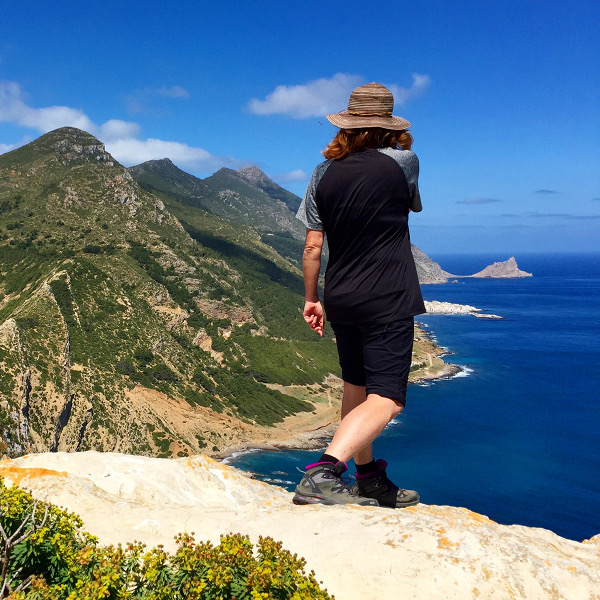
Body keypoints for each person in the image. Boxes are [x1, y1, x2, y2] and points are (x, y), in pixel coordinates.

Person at [293, 82, 425, 508]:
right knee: (387, 398)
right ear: (390, 125)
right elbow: (410, 207)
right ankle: (324, 471)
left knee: (357, 386)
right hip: (388, 293)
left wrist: (312, 298)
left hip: (341, 294)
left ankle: (368, 478)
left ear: (347, 125)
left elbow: (313, 247)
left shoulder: (320, 173)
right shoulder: (404, 163)